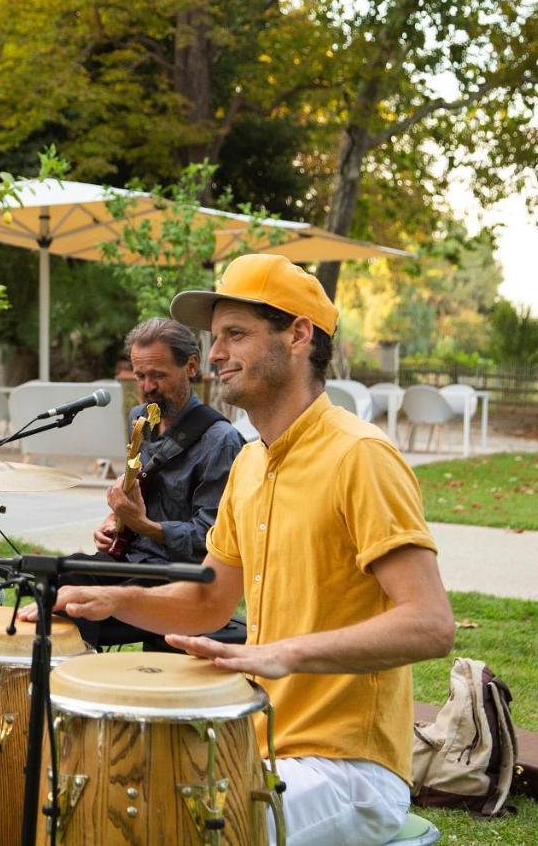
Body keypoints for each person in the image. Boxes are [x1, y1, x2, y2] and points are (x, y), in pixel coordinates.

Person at [24, 254, 455, 846]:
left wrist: (286, 654)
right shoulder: (251, 463)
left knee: (172, 830)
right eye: (215, 337)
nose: (218, 354)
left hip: (349, 769)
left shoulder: (360, 455)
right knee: (96, 798)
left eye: (236, 334)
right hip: (262, 739)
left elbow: (430, 625)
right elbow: (207, 602)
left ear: (298, 334)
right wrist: (107, 598)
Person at [30, 318, 245, 649]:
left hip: (181, 575)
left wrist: (144, 526)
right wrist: (115, 523)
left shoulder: (221, 441)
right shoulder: (139, 420)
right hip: (133, 558)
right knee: (63, 579)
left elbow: (211, 536)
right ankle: (67, 681)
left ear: (191, 366)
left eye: (158, 375)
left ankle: (89, 680)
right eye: (140, 376)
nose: (147, 387)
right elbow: (141, 487)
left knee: (79, 605)